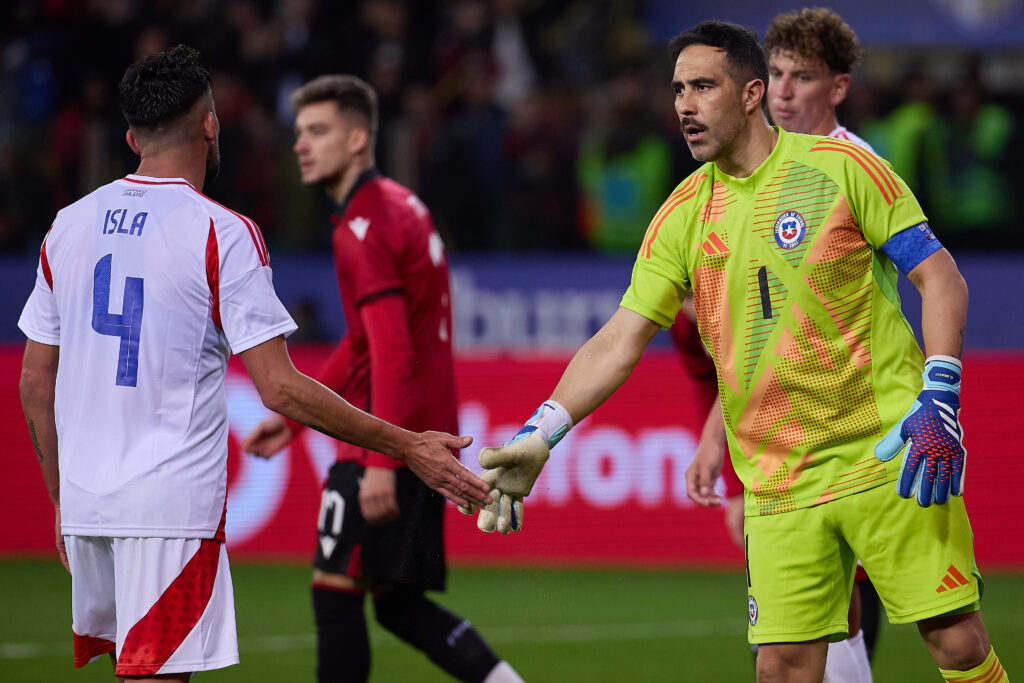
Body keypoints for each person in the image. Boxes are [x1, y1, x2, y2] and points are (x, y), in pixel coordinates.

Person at [462, 21, 1009, 683]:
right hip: (778, 482)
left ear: (752, 95)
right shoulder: (682, 215)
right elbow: (620, 338)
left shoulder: (842, 168)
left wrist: (940, 392)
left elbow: (940, 276)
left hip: (886, 451)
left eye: (702, 87)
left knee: (956, 642)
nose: (683, 105)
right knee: (781, 668)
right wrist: (541, 431)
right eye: (677, 90)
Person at [17, 46, 490, 683]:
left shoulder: (66, 227)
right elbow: (280, 387)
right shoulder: (221, 232)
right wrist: (406, 446)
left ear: (130, 136)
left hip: (84, 503)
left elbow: (34, 380)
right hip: (167, 510)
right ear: (211, 124)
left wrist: (57, 501)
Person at [241, 75, 522, 683]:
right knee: (396, 603)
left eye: (318, 131)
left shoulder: (361, 227)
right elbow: (366, 342)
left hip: (394, 441)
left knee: (334, 592)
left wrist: (381, 464)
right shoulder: (401, 204)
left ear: (359, 138)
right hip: (426, 432)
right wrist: (292, 421)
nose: (301, 145)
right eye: (298, 133)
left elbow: (391, 350)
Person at [673, 10, 883, 681]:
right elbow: (762, 334)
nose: (786, 91)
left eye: (803, 77)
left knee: (930, 628)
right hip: (786, 420)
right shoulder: (749, 178)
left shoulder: (855, 168)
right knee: (811, 622)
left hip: (859, 412)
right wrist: (715, 433)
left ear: (838, 88)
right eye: (778, 74)